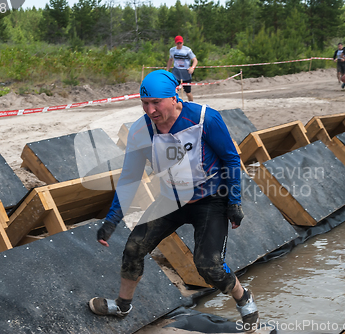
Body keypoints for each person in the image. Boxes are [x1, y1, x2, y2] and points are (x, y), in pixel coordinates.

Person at [88, 70, 260, 332]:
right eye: (145, 103)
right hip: (171, 200)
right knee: (133, 248)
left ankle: (243, 297)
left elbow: (231, 159)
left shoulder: (205, 118)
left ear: (174, 97)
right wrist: (112, 219)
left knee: (208, 266)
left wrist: (234, 201)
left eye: (156, 102)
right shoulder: (141, 131)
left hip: (210, 201)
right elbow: (130, 178)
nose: (150, 110)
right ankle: (123, 306)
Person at [166, 35, 198, 101]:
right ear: (175, 43)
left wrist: (192, 68)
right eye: (178, 43)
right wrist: (167, 69)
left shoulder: (187, 50)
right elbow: (170, 60)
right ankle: (177, 104)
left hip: (185, 72)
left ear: (183, 43)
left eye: (180, 43)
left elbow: (195, 60)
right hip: (176, 71)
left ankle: (191, 104)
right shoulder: (172, 50)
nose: (179, 44)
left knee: (188, 93)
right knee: (174, 90)